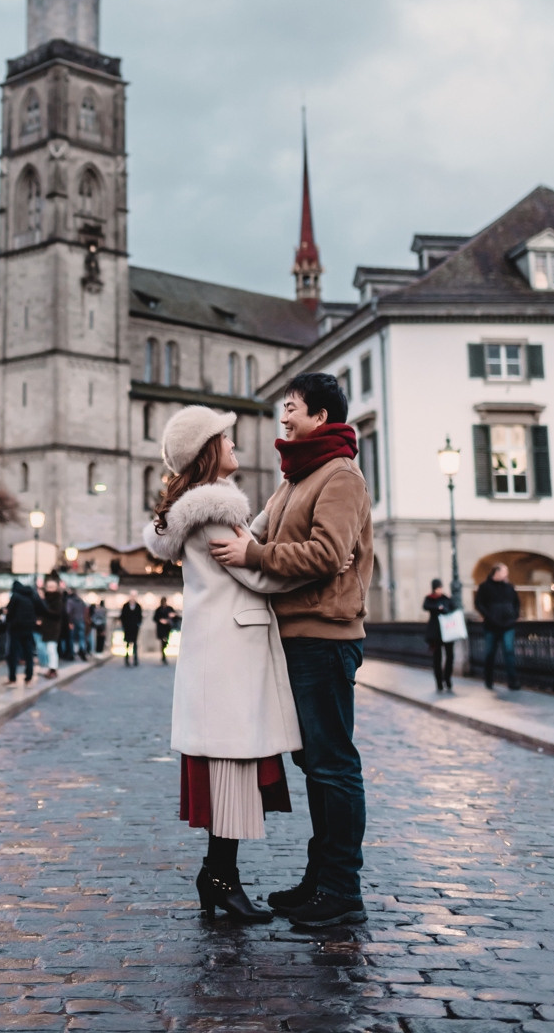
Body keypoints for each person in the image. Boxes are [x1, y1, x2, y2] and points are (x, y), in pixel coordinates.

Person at [209, 372, 374, 927]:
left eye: (292, 407)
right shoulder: (296, 477)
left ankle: (341, 888)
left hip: (325, 638)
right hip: (295, 637)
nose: (284, 416)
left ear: (321, 416)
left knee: (332, 764)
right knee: (315, 764)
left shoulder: (339, 476)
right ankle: (319, 879)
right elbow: (258, 534)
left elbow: (325, 553)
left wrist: (256, 556)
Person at [145, 405, 306, 923]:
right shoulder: (216, 509)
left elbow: (246, 543)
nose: (235, 445)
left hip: (216, 651)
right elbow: (256, 574)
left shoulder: (201, 509)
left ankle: (219, 876)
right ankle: (220, 877)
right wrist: (319, 567)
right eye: (227, 438)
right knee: (234, 768)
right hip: (231, 654)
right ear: (209, 450)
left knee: (229, 768)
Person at [475, 563, 521, 690]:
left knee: (509, 651)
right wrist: (489, 616)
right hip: (491, 625)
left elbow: (517, 603)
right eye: (504, 572)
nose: (507, 574)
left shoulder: (509, 587)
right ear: (497, 572)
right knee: (490, 653)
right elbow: (479, 603)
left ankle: (513, 681)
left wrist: (514, 615)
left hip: (508, 625)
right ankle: (489, 679)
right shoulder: (484, 587)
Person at [422, 579, 455, 692]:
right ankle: (439, 681)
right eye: (438, 588)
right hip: (435, 632)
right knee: (437, 657)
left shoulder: (446, 598)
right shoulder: (429, 598)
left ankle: (448, 678)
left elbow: (452, 607)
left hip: (447, 630)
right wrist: (437, 608)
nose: (439, 590)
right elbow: (426, 606)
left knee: (450, 655)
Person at [4, 579, 39, 684]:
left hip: (16, 628)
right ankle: (29, 676)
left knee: (13, 653)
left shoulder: (15, 596)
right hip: (28, 628)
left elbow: (9, 612)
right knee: (28, 653)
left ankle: (12, 677)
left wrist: (8, 622)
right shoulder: (31, 596)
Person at [38, 571, 64, 679]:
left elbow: (57, 613)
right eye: (49, 587)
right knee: (44, 648)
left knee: (51, 649)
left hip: (53, 628)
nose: (50, 589)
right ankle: (49, 668)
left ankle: (53, 668)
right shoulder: (44, 599)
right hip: (44, 628)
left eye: (52, 587)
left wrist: (45, 609)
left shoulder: (57, 599)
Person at [120, 591, 142, 666]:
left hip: (134, 628)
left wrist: (138, 624)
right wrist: (124, 625)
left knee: (135, 643)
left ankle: (135, 659)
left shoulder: (138, 606)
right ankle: (126, 658)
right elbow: (122, 616)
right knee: (127, 643)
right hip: (128, 627)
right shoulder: (125, 606)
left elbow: (140, 616)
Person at [67, 589, 90, 661]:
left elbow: (68, 612)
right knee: (82, 638)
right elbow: (85, 611)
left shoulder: (70, 601)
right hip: (81, 620)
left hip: (73, 621)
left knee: (72, 638)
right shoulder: (81, 601)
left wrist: (70, 622)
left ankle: (72, 653)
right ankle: (82, 650)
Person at [153, 597, 177, 663]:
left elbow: (176, 616)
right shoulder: (158, 609)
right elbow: (155, 618)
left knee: (165, 641)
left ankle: (163, 655)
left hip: (167, 628)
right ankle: (163, 656)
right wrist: (160, 620)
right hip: (161, 628)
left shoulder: (169, 608)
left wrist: (172, 616)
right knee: (163, 641)